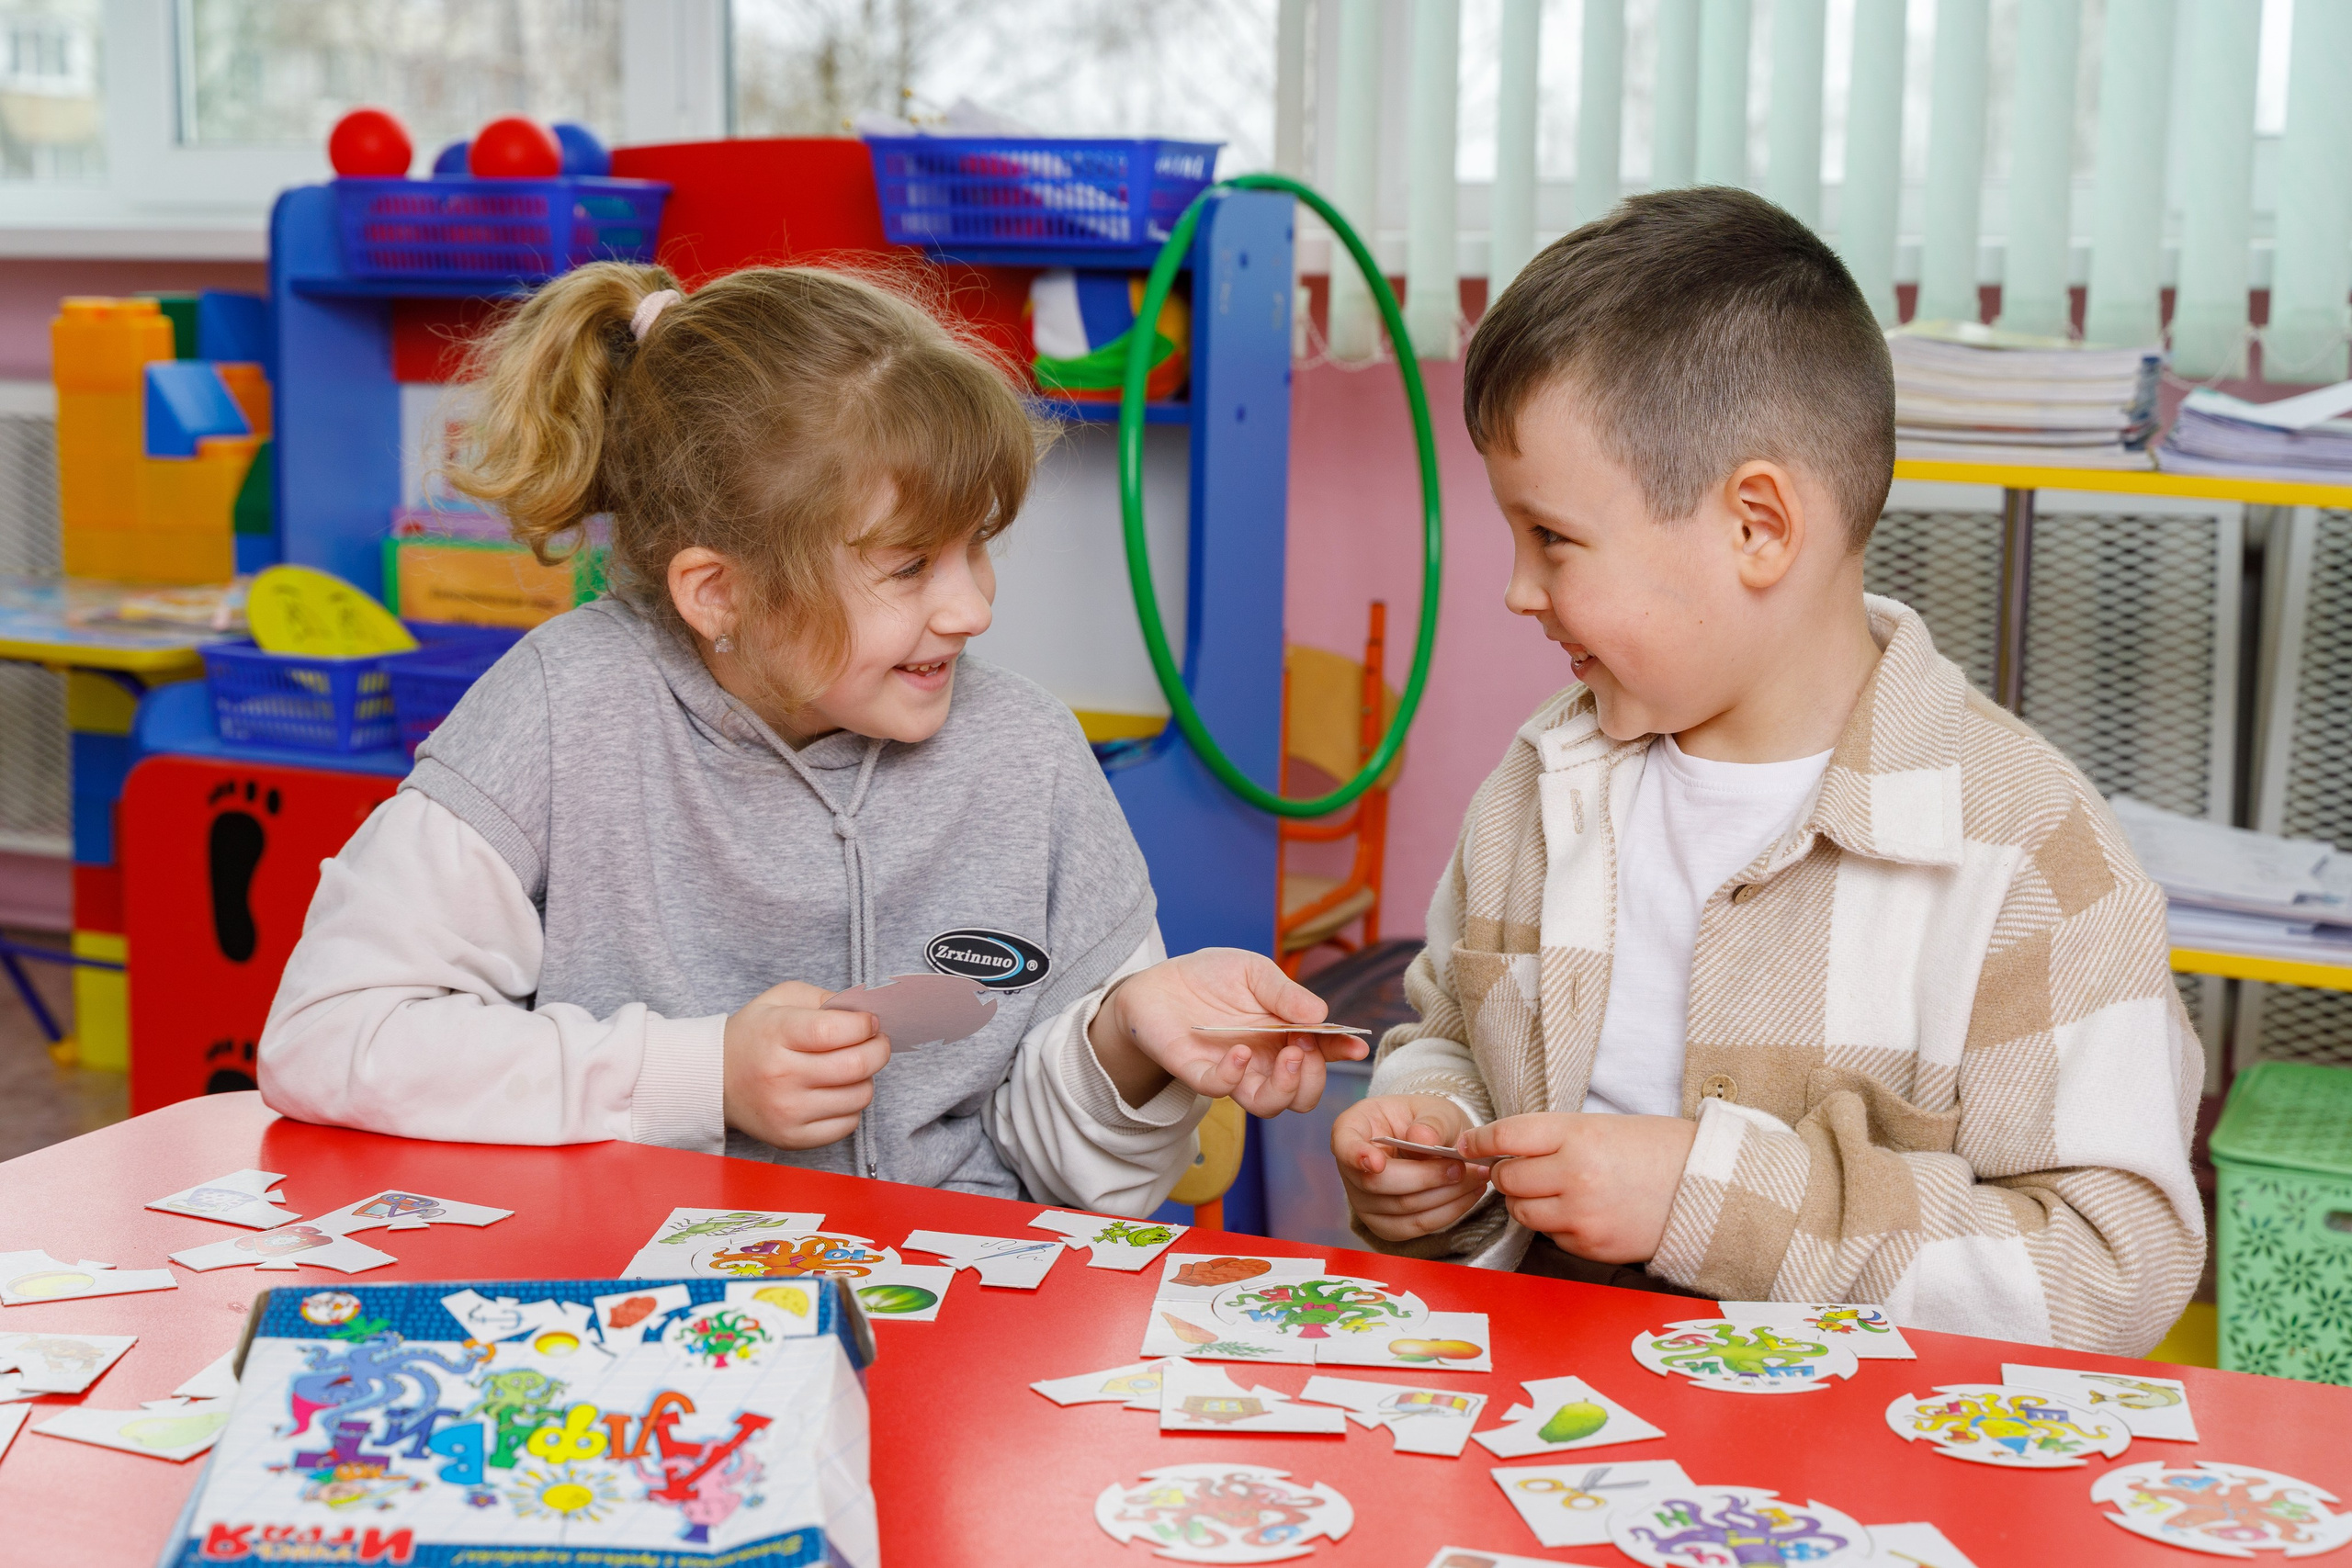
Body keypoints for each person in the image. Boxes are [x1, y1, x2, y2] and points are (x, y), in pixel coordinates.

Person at [259, 261, 1361, 1215]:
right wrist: (704, 1075)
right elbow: (328, 1041)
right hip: (637, 1328)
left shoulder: (1026, 752)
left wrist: (1125, 1035)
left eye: (977, 547)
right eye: (907, 567)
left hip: (957, 1327)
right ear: (718, 592)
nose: (972, 607)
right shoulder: (560, 710)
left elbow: (1069, 1184)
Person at [1330, 188, 2203, 1355]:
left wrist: (1713, 1201)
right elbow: (1452, 1031)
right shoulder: (1543, 784)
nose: (1518, 591)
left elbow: (2111, 1275)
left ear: (1756, 526)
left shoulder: (2029, 856)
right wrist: (1440, 1140)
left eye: (1552, 539)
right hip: (1550, 1416)